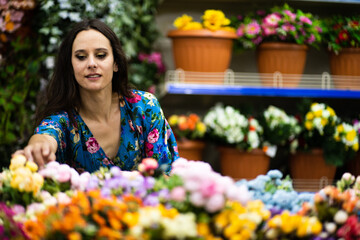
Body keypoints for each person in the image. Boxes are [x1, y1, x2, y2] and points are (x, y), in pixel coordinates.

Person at [14, 19, 179, 174]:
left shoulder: (144, 107)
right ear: (70, 67)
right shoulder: (63, 121)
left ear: (115, 63)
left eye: (101, 55)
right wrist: (38, 147)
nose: (92, 64)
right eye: (81, 57)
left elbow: (165, 173)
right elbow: (46, 136)